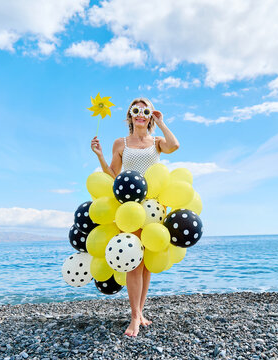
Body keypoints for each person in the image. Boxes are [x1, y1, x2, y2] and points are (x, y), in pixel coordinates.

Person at [90, 97, 180, 337]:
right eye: (136, 110)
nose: (140, 114)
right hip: (130, 209)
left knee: (147, 264)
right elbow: (112, 174)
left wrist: (161, 122)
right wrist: (99, 155)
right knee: (134, 261)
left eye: (145, 111)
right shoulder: (121, 143)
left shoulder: (157, 142)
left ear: (150, 115)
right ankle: (133, 318)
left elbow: (175, 145)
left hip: (154, 207)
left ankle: (140, 312)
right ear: (130, 115)